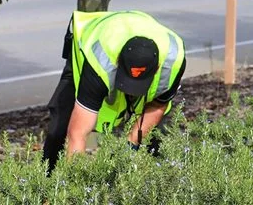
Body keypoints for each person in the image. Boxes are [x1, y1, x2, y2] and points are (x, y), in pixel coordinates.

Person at [42, 10, 187, 173]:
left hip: (135, 27)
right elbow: (78, 134)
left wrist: (130, 148)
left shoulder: (174, 61)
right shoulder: (99, 62)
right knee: (60, 126)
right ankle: (48, 186)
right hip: (86, 44)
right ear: (118, 61)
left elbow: (158, 105)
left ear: (157, 68)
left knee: (153, 137)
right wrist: (73, 187)